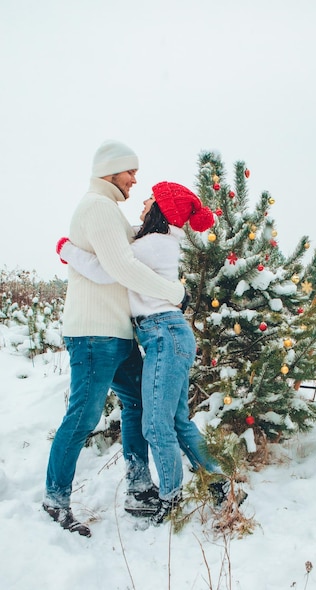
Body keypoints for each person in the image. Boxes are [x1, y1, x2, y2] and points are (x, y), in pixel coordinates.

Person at [58, 182, 242, 526]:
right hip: (166, 335)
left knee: (157, 425)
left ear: (161, 208)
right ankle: (222, 485)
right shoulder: (159, 242)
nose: (143, 202)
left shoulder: (155, 244)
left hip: (164, 334)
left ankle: (171, 498)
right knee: (175, 421)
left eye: (151, 199)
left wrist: (68, 250)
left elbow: (106, 267)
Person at [43, 142, 185, 537]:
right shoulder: (97, 208)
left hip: (117, 332)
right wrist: (174, 293)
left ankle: (139, 488)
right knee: (84, 416)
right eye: (130, 172)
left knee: (137, 402)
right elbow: (119, 267)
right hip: (93, 333)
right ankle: (55, 500)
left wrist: (69, 251)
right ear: (111, 171)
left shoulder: (111, 212)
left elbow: (129, 258)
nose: (135, 180)